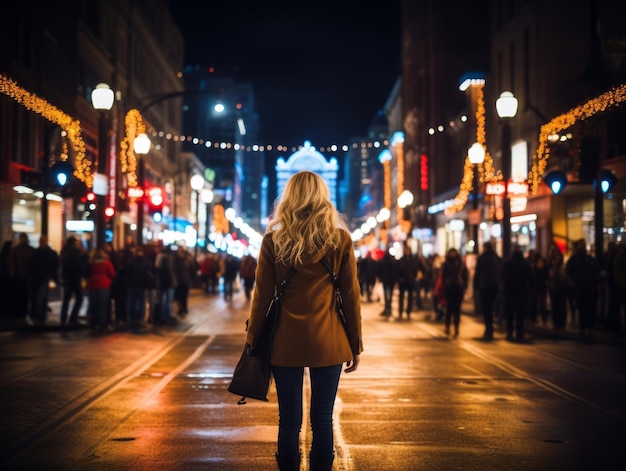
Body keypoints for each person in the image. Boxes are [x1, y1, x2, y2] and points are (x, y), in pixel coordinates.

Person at [244, 171, 362, 471]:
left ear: (290, 198)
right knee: (322, 418)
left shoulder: (274, 239)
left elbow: (262, 297)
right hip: (330, 340)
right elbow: (350, 296)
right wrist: (355, 342)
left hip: (285, 340)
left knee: (289, 420)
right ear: (323, 198)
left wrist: (252, 339)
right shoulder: (340, 239)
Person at [565, 239, 600, 336]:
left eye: (583, 245)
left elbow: (596, 270)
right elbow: (569, 270)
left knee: (589, 307)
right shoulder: (575, 259)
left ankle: (588, 326)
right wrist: (575, 280)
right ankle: (584, 327)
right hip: (580, 287)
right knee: (582, 307)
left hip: (588, 286)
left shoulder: (589, 258)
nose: (583, 246)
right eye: (581, 245)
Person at [502, 245, 533, 341]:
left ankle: (510, 332)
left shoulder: (508, 264)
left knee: (510, 314)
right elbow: (531, 278)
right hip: (522, 292)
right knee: (520, 314)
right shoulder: (526, 264)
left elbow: (504, 279)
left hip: (511, 292)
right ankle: (520, 333)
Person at [28, 235, 60, 326]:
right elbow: (55, 267)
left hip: (40, 278)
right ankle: (39, 317)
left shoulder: (35, 253)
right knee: (40, 298)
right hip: (41, 278)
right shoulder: (48, 253)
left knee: (39, 298)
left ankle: (38, 316)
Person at [473, 241, 502, 340]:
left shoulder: (482, 259)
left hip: (484, 287)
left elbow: (477, 274)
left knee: (486, 309)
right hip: (495, 287)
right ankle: (490, 328)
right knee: (492, 307)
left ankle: (489, 329)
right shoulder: (496, 258)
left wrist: (476, 287)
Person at [59, 236, 89, 327]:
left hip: (67, 278)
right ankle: (73, 318)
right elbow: (80, 265)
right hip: (75, 278)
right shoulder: (77, 252)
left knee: (66, 299)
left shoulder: (64, 251)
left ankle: (63, 319)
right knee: (79, 298)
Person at [85, 247, 116, 332]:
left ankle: (93, 324)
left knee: (93, 305)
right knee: (103, 306)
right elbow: (112, 273)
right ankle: (103, 325)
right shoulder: (106, 263)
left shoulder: (91, 263)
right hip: (104, 285)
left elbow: (87, 273)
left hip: (92, 285)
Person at [441, 248, 468, 337]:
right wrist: (445, 286)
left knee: (457, 310)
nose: (452, 255)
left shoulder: (461, 264)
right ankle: (447, 327)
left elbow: (465, 276)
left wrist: (464, 287)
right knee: (449, 309)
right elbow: (443, 277)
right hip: (449, 288)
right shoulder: (446, 264)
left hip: (458, 288)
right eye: (451, 253)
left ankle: (456, 328)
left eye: (454, 253)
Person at [8, 233, 34, 320]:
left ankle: (23, 312)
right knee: (22, 295)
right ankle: (22, 312)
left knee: (24, 295)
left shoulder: (18, 250)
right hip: (21, 276)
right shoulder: (18, 250)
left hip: (24, 276)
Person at [397, 243, 418, 320]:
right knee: (401, 297)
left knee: (410, 298)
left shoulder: (413, 260)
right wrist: (399, 278)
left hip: (410, 281)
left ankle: (408, 312)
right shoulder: (401, 260)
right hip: (402, 282)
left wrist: (414, 277)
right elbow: (398, 271)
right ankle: (400, 312)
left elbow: (415, 269)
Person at [377, 246, 398, 317]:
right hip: (391, 280)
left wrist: (380, 278)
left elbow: (379, 270)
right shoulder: (393, 261)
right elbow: (395, 271)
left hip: (385, 280)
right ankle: (389, 309)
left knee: (386, 295)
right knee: (390, 295)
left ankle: (387, 309)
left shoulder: (383, 261)